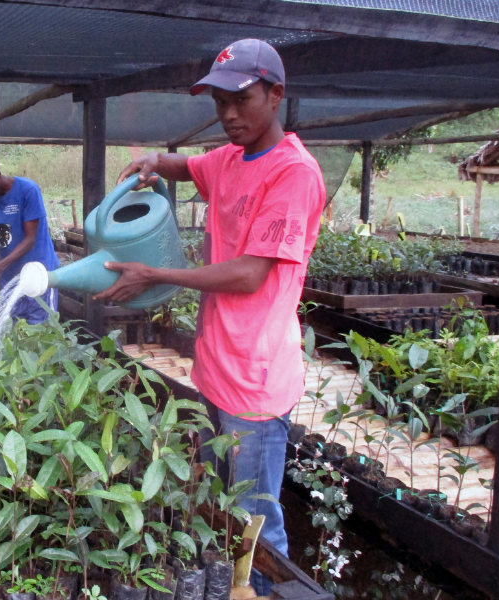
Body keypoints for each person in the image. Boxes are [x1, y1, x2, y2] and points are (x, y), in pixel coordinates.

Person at [95, 39, 326, 570]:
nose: (227, 114)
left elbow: (249, 274)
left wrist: (154, 274)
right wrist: (154, 160)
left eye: (240, 99)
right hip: (216, 368)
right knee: (221, 504)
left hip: (258, 381)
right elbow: (187, 167)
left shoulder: (292, 173)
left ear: (276, 94)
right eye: (218, 102)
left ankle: (262, 589)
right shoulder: (229, 159)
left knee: (256, 523)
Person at [0, 157, 60, 323]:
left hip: (40, 274)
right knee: (11, 332)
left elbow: (30, 239)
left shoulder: (27, 190)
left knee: (41, 333)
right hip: (11, 276)